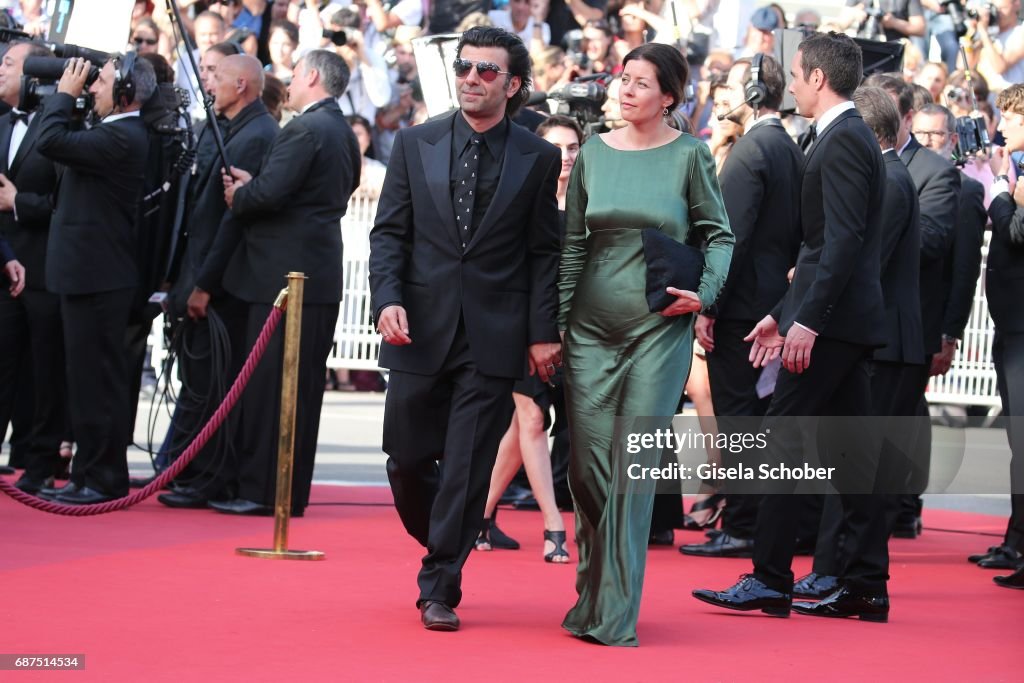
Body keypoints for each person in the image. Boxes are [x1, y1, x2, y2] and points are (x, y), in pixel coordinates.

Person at [692, 31, 890, 622]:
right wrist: (783, 313)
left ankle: (770, 578)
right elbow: (822, 247)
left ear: (818, 79)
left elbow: (842, 243)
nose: (793, 87)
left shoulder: (844, 138)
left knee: (781, 443)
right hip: (838, 322)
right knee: (853, 456)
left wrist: (806, 321)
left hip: (832, 326)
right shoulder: (841, 136)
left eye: (798, 77)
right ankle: (865, 585)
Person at [369, 27, 562, 632]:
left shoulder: (538, 157)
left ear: (513, 84)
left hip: (495, 334)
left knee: (466, 469)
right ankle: (444, 536)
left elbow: (543, 253)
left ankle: (440, 584)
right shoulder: (415, 142)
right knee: (405, 459)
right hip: (418, 329)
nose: (472, 78)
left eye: (487, 70)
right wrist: (387, 299)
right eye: (464, 67)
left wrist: (542, 332)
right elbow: (389, 233)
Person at [559, 42, 733, 646]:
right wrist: (560, 324)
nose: (626, 90)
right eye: (623, 78)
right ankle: (592, 591)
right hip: (589, 329)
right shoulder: (593, 151)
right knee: (587, 468)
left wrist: (703, 295)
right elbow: (574, 244)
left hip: (658, 328)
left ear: (668, 97)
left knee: (632, 466)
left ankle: (614, 612)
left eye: (640, 82)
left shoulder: (690, 155)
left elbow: (719, 235)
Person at [211, 49, 360, 516]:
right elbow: (316, 192)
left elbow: (271, 194)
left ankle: (261, 491)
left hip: (284, 280)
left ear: (312, 76)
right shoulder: (342, 130)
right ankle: (286, 492)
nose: (288, 83)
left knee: (271, 390)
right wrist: (257, 186)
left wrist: (242, 193)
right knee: (300, 389)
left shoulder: (305, 128)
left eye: (294, 75)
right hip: (316, 275)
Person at [683, 52, 802, 559]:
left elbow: (729, 238)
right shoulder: (786, 146)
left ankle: (742, 525)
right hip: (769, 304)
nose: (721, 97)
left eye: (730, 87)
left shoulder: (753, 149)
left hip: (742, 309)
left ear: (754, 93)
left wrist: (708, 306)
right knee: (751, 415)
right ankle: (746, 522)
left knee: (737, 418)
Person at [157, 54, 279, 510]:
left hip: (222, 284)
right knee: (199, 381)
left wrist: (203, 285)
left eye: (217, 78)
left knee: (212, 384)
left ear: (242, 84)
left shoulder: (256, 134)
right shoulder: (226, 127)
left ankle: (208, 477)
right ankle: (192, 471)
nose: (209, 85)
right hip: (202, 274)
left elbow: (231, 222)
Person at [35, 54, 154, 504]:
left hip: (100, 278)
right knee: (85, 383)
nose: (91, 88)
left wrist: (63, 95)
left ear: (125, 93)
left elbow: (49, 140)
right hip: (88, 276)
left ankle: (102, 479)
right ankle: (88, 475)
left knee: (98, 385)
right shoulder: (111, 132)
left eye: (100, 81)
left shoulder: (123, 135)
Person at [475, 114, 582, 563]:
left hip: (574, 330)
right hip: (525, 326)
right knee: (533, 418)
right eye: (556, 147)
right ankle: (554, 525)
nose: (565, 157)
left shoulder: (589, 204)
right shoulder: (522, 196)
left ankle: (479, 515)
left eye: (573, 147)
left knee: (522, 428)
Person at [0, 41, 64, 495]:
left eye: (8, 63)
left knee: (43, 371)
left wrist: (17, 202)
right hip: (1, 265)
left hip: (43, 266)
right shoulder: (2, 122)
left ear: (34, 73)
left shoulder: (60, 127)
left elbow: (66, 201)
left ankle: (38, 461)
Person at [978, 83, 1024, 588]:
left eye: (1010, 118)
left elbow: (1017, 232)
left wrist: (998, 189)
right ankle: (1016, 540)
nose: (1002, 126)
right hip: (1010, 323)